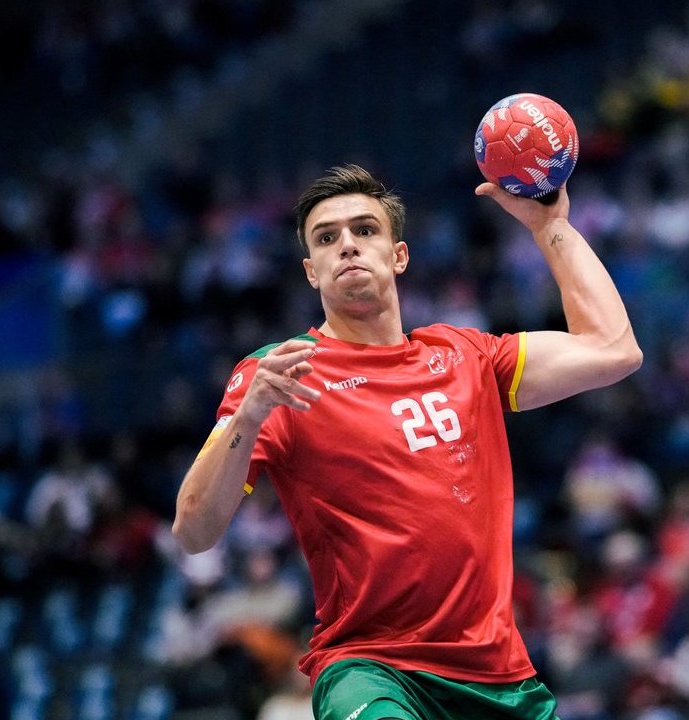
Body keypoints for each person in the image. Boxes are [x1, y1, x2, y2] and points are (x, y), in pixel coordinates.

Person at [171, 164, 642, 719]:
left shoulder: (467, 356)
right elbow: (194, 529)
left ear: (399, 255)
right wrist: (247, 418)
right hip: (372, 669)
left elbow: (615, 350)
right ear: (311, 272)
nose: (347, 245)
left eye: (364, 230)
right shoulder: (278, 375)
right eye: (327, 238)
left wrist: (550, 226)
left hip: (499, 677)